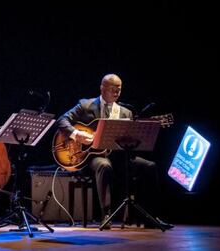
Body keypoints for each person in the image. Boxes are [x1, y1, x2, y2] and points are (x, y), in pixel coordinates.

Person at [55, 73, 173, 230]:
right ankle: (106, 215)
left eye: (119, 90)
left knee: (150, 166)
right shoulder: (86, 105)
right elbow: (61, 120)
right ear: (102, 88)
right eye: (113, 89)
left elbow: (130, 142)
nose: (117, 93)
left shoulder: (126, 112)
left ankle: (152, 217)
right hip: (92, 157)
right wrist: (77, 134)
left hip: (118, 156)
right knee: (104, 165)